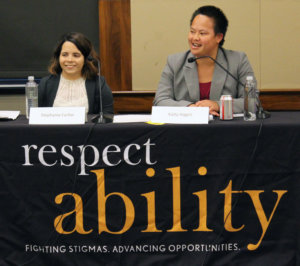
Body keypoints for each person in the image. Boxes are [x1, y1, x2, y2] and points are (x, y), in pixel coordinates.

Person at [153, 5, 257, 115]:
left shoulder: (238, 61)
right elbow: (160, 101)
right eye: (192, 31)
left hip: (225, 129)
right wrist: (190, 108)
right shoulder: (174, 62)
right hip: (186, 130)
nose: (195, 38)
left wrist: (217, 105)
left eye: (202, 33)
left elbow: (252, 102)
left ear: (218, 37)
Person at [38, 32, 113, 115]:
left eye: (76, 55)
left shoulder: (99, 83)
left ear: (86, 59)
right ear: (58, 57)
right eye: (64, 55)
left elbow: (108, 116)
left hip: (87, 128)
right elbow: (37, 117)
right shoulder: (46, 84)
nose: (69, 60)